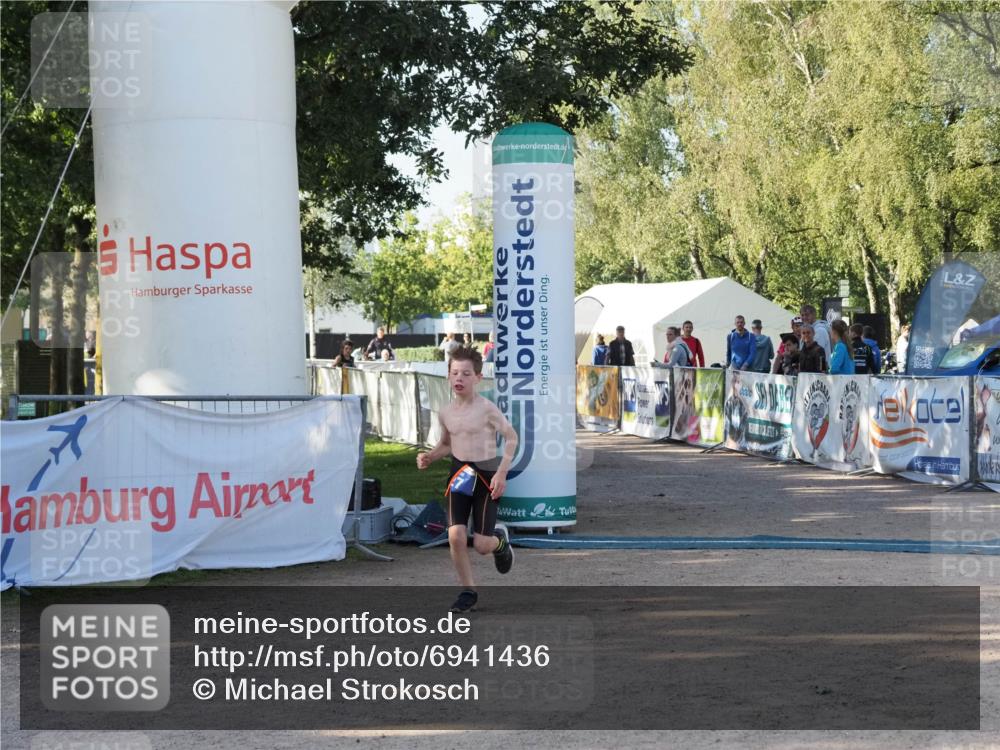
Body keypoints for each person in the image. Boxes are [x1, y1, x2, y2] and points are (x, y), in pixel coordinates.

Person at [416, 347, 518, 613]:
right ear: (448, 376)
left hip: (486, 474)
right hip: (460, 474)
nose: (459, 378)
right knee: (456, 536)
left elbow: (511, 437)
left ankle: (499, 542)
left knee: (481, 545)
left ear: (478, 378)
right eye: (454, 373)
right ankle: (468, 592)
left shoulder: (487, 409)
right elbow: (446, 444)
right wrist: (429, 457)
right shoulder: (445, 412)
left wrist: (502, 472)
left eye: (465, 373)